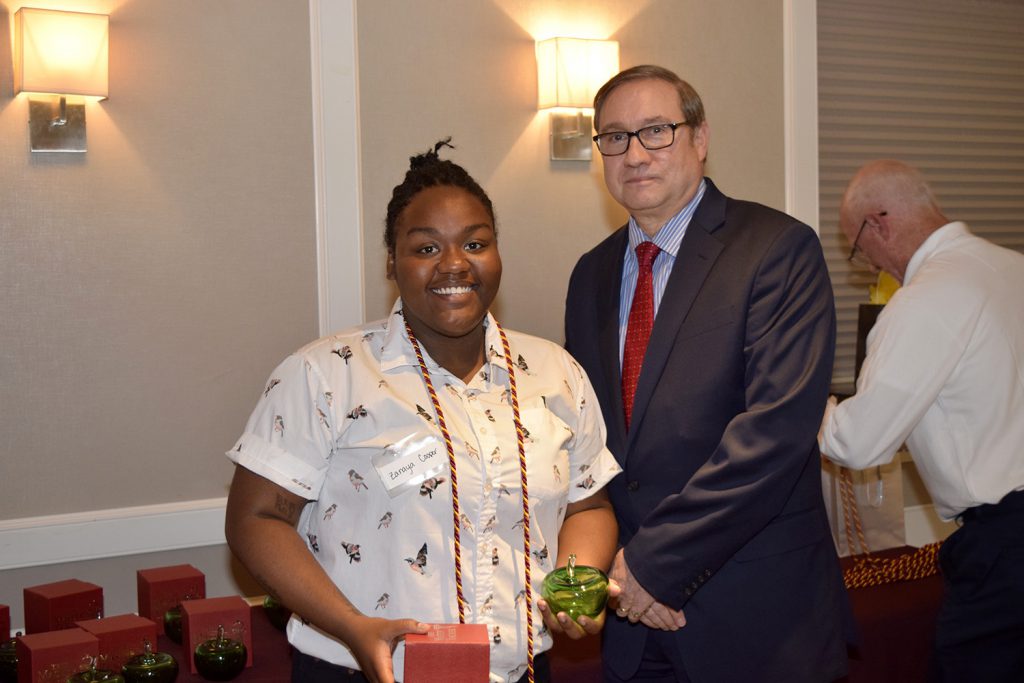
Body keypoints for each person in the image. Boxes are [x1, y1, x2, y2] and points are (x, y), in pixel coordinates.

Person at [225, 140, 621, 683]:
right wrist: (352, 625)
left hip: (521, 670)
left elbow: (587, 505)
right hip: (366, 671)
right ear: (391, 261)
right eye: (426, 248)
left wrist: (576, 584)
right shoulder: (325, 375)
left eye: (475, 243)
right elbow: (255, 519)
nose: (455, 263)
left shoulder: (555, 372)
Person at [564, 65, 848, 682]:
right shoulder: (590, 274)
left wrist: (653, 566)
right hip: (633, 625)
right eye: (614, 137)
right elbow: (588, 442)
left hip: (755, 621)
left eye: (655, 131)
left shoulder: (776, 249)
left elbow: (773, 434)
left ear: (700, 138)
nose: (634, 152)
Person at [818, 159, 1024, 682]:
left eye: (860, 252)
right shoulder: (1011, 268)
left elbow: (859, 445)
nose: (871, 267)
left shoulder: (924, 300)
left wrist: (804, 403)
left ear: (878, 224)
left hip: (1008, 545)